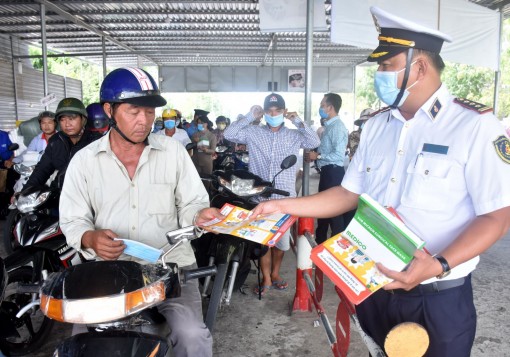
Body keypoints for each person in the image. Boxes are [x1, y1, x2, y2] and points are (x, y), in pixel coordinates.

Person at [250, 6, 510, 356]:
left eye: (387, 66)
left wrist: (437, 264)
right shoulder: (377, 126)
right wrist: (282, 205)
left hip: (436, 298)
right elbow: (347, 192)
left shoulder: (474, 127)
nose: (379, 74)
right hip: (372, 286)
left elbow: (496, 216)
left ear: (419, 67)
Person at [59, 67, 221, 357]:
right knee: (85, 342)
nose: (144, 121)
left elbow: (192, 203)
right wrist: (89, 238)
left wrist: (199, 215)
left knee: (192, 336)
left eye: (149, 112)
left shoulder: (173, 152)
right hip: (106, 273)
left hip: (170, 269)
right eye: (134, 111)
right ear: (110, 110)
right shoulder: (84, 162)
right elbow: (73, 218)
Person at [224, 93, 320, 296]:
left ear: (283, 112)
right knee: (263, 242)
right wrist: (251, 115)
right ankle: (266, 278)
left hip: (285, 200)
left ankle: (275, 273)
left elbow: (314, 141)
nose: (273, 114)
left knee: (281, 244)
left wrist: (297, 120)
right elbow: (229, 134)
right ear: (265, 112)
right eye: (269, 111)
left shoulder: (294, 135)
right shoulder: (253, 132)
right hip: (260, 197)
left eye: (277, 111)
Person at [22, 97, 101, 192]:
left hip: (89, 194)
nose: (67, 124)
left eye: (72, 118)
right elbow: (42, 169)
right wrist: (25, 191)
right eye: (63, 119)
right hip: (60, 193)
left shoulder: (95, 141)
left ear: (83, 119)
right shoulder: (56, 141)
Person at [305, 93, 348, 244]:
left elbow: (338, 154)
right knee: (324, 212)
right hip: (327, 172)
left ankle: (336, 248)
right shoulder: (329, 126)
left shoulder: (337, 127)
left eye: (322, 105)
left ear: (330, 108)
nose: (320, 108)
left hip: (333, 172)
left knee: (334, 212)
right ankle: (320, 244)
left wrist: (318, 156)